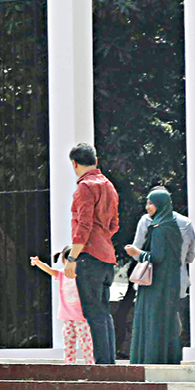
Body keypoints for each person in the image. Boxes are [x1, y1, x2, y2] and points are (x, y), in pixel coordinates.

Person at [67, 143, 120, 364]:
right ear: (96, 161)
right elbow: (114, 224)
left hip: (90, 257)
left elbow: (84, 225)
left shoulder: (85, 187)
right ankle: (109, 363)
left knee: (93, 313)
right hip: (107, 256)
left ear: (75, 164)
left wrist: (72, 257)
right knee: (103, 312)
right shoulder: (109, 185)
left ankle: (103, 367)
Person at [126, 188, 184, 364]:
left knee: (152, 318)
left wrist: (137, 252)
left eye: (151, 203)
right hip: (169, 281)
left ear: (160, 204)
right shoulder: (172, 226)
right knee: (165, 319)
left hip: (155, 283)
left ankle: (149, 359)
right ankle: (167, 358)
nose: (147, 207)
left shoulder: (159, 228)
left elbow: (157, 257)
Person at [29, 248, 94, 364]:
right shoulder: (62, 274)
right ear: (64, 260)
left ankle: (90, 366)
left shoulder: (84, 275)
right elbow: (49, 270)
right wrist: (38, 263)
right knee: (69, 345)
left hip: (82, 318)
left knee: (86, 345)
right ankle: (69, 367)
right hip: (67, 317)